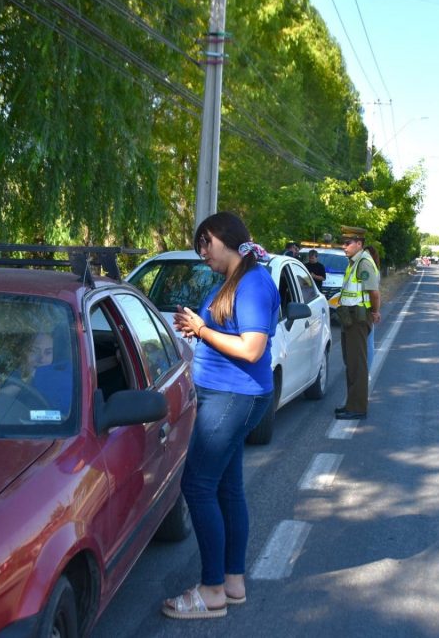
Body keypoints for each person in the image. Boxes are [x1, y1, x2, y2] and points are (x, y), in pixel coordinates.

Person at [164, 211, 280, 620]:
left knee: (197, 486)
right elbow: (225, 336)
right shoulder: (235, 281)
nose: (202, 253)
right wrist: (196, 331)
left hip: (234, 398)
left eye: (205, 243)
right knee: (228, 489)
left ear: (226, 238)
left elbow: (250, 348)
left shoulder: (253, 284)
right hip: (225, 395)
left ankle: (211, 590)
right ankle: (232, 583)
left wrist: (202, 329)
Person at [334, 232, 380, 421]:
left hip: (358, 319)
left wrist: (375, 312)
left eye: (347, 243)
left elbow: (374, 293)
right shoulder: (354, 262)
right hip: (350, 318)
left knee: (357, 365)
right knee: (351, 363)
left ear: (359, 244)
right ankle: (352, 404)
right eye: (343, 243)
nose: (344, 246)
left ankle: (358, 408)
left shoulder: (363, 263)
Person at [363, 245, 381, 368]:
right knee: (367, 343)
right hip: (364, 309)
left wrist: (375, 312)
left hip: (366, 309)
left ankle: (366, 371)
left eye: (368, 254)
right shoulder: (373, 269)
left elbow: (374, 293)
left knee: (368, 343)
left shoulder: (370, 269)